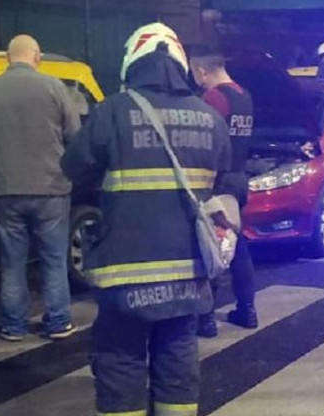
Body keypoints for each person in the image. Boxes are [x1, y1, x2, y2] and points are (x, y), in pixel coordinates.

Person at [61, 23, 232, 415]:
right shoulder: (210, 118)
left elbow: (74, 168)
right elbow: (226, 180)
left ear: (132, 64)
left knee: (121, 360)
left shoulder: (112, 113)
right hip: (188, 271)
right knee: (178, 356)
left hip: (126, 273)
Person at [0, 34, 78, 342]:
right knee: (53, 259)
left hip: (6, 188)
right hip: (51, 187)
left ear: (8, 57)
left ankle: (13, 326)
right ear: (37, 57)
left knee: (12, 263)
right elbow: (74, 133)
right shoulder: (54, 87)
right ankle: (57, 322)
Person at [190, 47, 259, 337]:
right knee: (237, 246)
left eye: (195, 74)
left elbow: (207, 139)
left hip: (216, 181)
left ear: (203, 70)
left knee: (208, 246)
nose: (196, 80)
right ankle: (247, 309)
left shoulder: (214, 98)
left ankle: (205, 319)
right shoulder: (244, 96)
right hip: (239, 178)